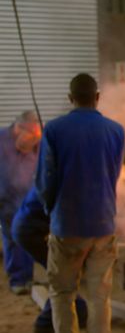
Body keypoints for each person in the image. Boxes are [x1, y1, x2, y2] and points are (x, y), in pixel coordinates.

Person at [35, 73, 125, 333]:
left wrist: (49, 211)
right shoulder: (116, 130)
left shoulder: (53, 130)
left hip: (67, 225)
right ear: (97, 98)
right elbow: (114, 174)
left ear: (70, 98)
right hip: (104, 224)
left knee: (63, 294)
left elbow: (45, 180)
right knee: (99, 296)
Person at [11, 187, 88, 333]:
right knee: (62, 275)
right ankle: (46, 322)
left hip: (26, 227)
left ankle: (78, 310)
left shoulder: (55, 175)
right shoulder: (62, 182)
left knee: (62, 274)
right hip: (31, 231)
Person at [0, 111, 41, 295]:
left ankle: (27, 277)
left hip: (26, 196)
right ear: (18, 130)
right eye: (30, 138)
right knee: (12, 236)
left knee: (26, 233)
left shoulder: (37, 143)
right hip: (5, 197)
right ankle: (18, 279)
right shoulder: (1, 141)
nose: (34, 144)